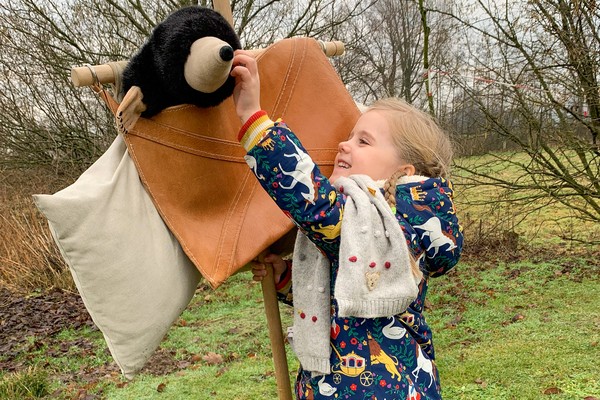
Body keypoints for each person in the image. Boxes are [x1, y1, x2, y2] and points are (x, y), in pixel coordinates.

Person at [231, 50, 463, 400]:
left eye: (363, 141)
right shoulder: (357, 224)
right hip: (328, 384)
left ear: (404, 171)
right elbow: (342, 294)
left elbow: (319, 208)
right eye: (350, 136)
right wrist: (286, 278)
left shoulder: (404, 224)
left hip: (393, 388)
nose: (344, 143)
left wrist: (254, 119)